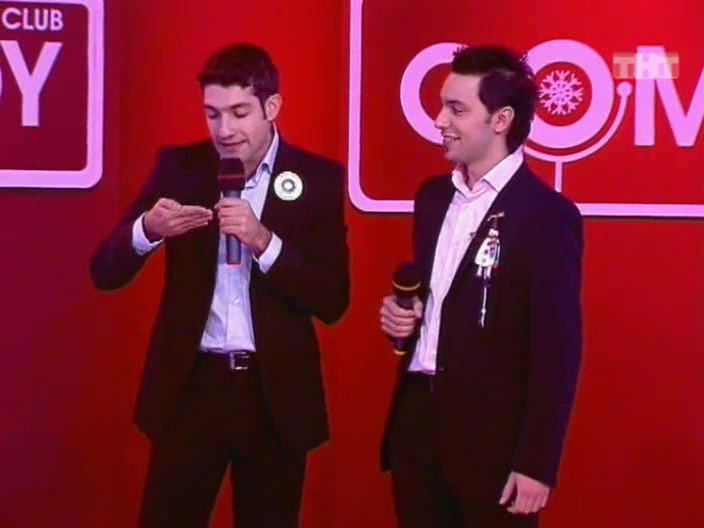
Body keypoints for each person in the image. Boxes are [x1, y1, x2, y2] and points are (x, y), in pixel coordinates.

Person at [91, 43, 349, 527]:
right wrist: (148, 229)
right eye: (212, 114)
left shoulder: (318, 179)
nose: (225, 130)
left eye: (239, 112)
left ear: (272, 107)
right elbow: (104, 271)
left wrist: (264, 241)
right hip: (190, 390)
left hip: (273, 397)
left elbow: (333, 299)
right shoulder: (180, 169)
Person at [379, 45, 583, 528]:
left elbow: (557, 349)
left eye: (456, 108)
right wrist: (401, 321)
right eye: (441, 106)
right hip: (418, 430)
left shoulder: (547, 216)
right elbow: (442, 305)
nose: (439, 121)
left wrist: (537, 463)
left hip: (494, 446)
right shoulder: (432, 198)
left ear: (501, 120)